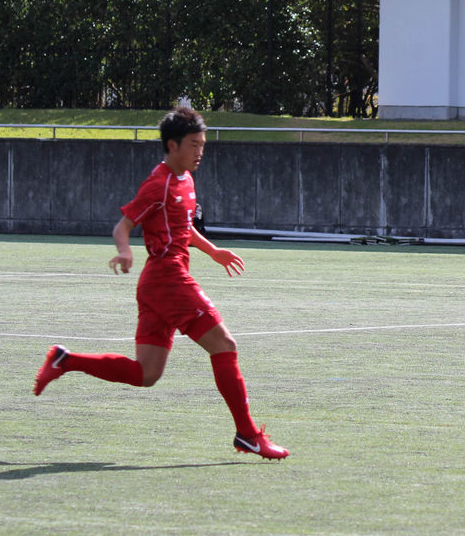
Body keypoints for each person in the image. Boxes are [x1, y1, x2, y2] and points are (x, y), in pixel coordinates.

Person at [33, 106, 289, 460]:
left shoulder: (186, 179)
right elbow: (122, 226)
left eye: (203, 144)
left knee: (146, 374)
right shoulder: (159, 183)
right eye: (194, 144)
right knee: (225, 345)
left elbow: (184, 229)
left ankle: (65, 360)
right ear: (172, 145)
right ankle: (247, 435)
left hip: (156, 285)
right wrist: (125, 251)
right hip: (169, 280)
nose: (200, 151)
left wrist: (213, 251)